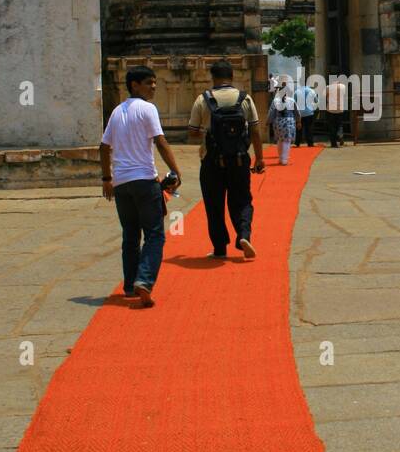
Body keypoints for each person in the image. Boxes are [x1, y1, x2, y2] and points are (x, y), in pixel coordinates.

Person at [100, 66, 181, 307]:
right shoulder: (148, 109)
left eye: (155, 83)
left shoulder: (116, 112)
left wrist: (107, 179)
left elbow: (104, 147)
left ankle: (129, 286)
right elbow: (160, 141)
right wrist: (176, 170)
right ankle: (144, 280)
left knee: (131, 236)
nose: (153, 87)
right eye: (148, 83)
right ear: (134, 85)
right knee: (155, 235)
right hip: (145, 181)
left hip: (122, 183)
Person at [188, 59, 265, 260]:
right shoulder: (245, 98)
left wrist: (209, 131)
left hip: (211, 162)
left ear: (213, 78)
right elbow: (256, 131)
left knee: (214, 205)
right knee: (242, 200)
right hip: (240, 160)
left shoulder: (203, 100)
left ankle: (220, 248)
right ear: (232, 76)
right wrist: (260, 158)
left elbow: (192, 132)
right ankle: (243, 235)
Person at [267, 76, 298, 164]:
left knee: (279, 140)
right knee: (286, 141)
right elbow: (297, 112)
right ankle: (284, 159)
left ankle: (281, 158)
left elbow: (271, 112)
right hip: (289, 122)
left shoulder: (275, 101)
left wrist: (268, 121)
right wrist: (299, 121)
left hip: (278, 122)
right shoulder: (291, 100)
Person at [294, 77, 318, 147]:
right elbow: (316, 101)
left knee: (299, 128)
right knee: (309, 128)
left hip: (300, 113)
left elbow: (294, 102)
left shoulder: (296, 92)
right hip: (309, 113)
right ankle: (310, 143)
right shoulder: (311, 91)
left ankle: (297, 143)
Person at [325, 76, 347, 147]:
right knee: (339, 125)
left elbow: (324, 95)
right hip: (340, 109)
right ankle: (340, 136)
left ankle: (333, 143)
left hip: (330, 110)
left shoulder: (328, 87)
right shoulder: (342, 86)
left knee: (332, 127)